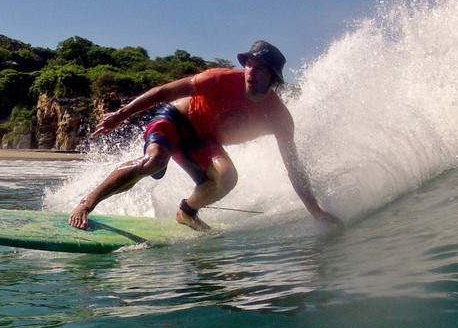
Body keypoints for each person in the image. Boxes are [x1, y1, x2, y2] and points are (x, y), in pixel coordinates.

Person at [68, 40, 341, 231]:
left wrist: (315, 210)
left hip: (203, 142)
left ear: (273, 78)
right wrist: (121, 114)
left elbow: (293, 168)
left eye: (260, 69)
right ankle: (87, 203)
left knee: (227, 177)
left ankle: (187, 213)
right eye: (249, 64)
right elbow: (165, 91)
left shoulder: (278, 117)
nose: (251, 72)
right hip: (175, 119)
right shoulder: (219, 79)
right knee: (153, 162)